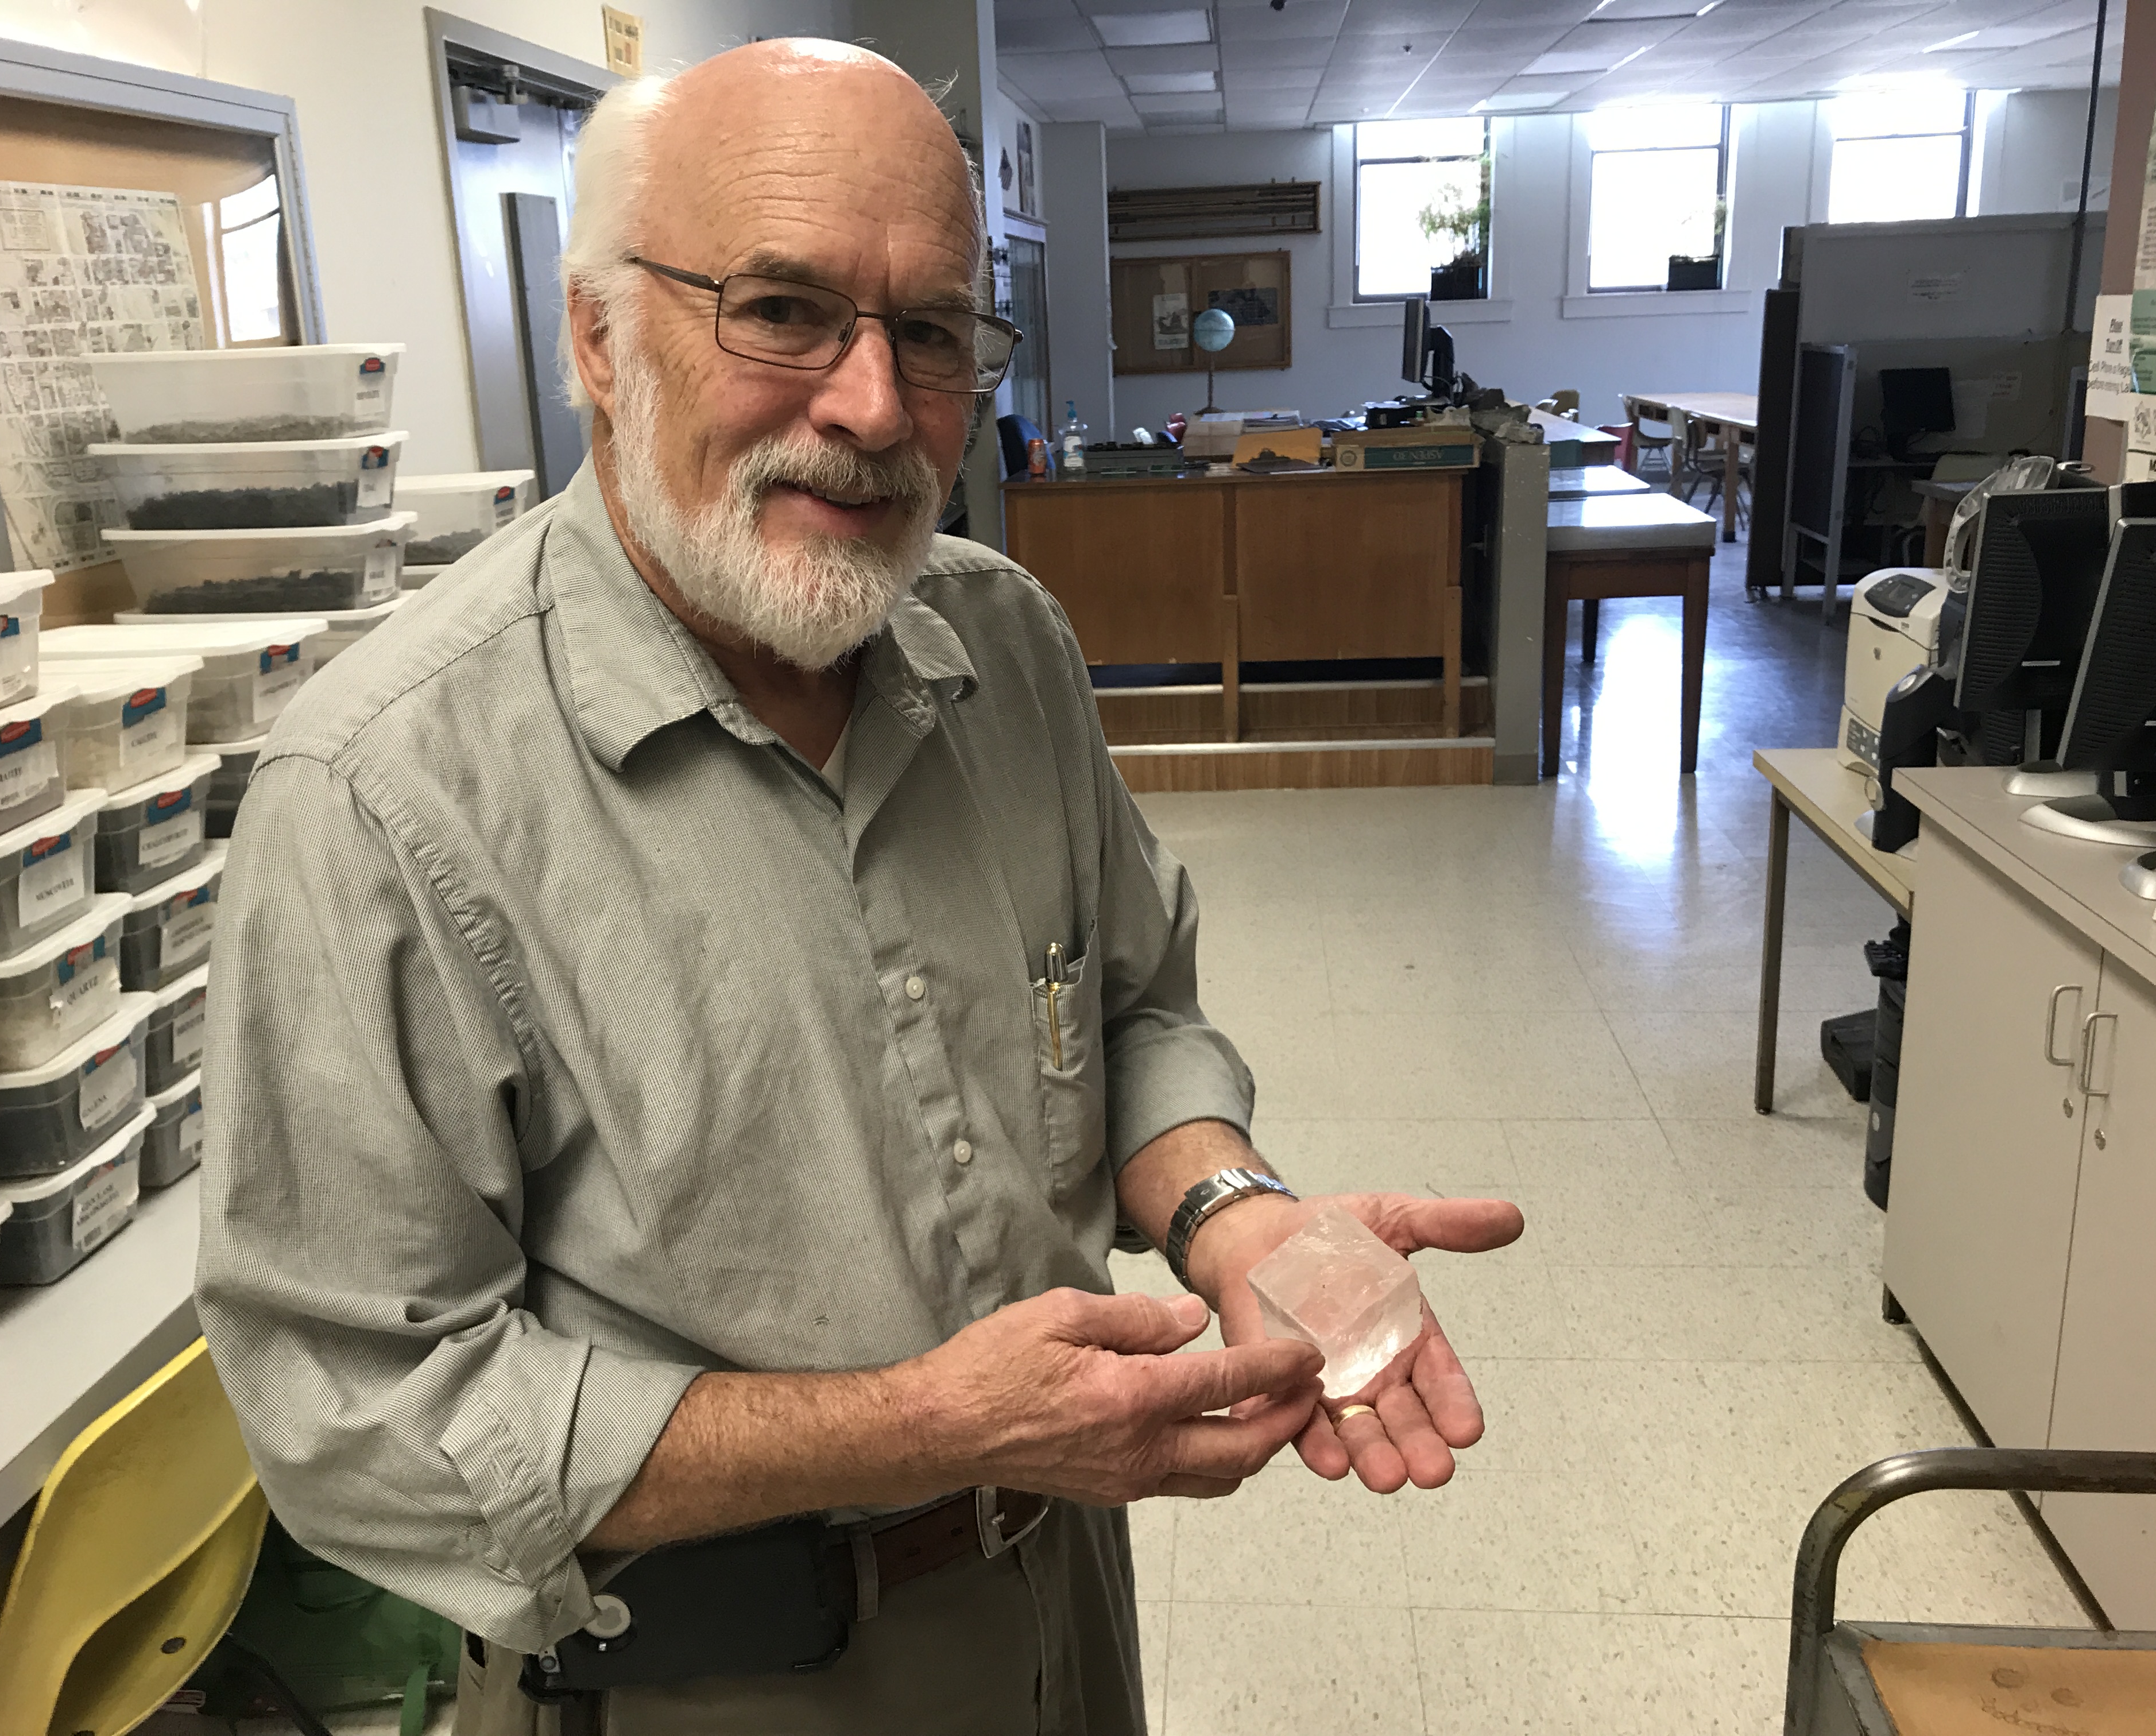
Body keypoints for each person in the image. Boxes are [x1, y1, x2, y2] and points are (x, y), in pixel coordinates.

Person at [194, 37, 1522, 1735]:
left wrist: (1230, 1210)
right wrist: (924, 1426)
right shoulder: (380, 796)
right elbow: (358, 1418)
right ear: (598, 336)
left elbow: (1129, 1008)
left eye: (935, 333)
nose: (876, 408)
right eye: (782, 310)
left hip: (1056, 1589)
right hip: (705, 1677)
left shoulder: (1004, 642)